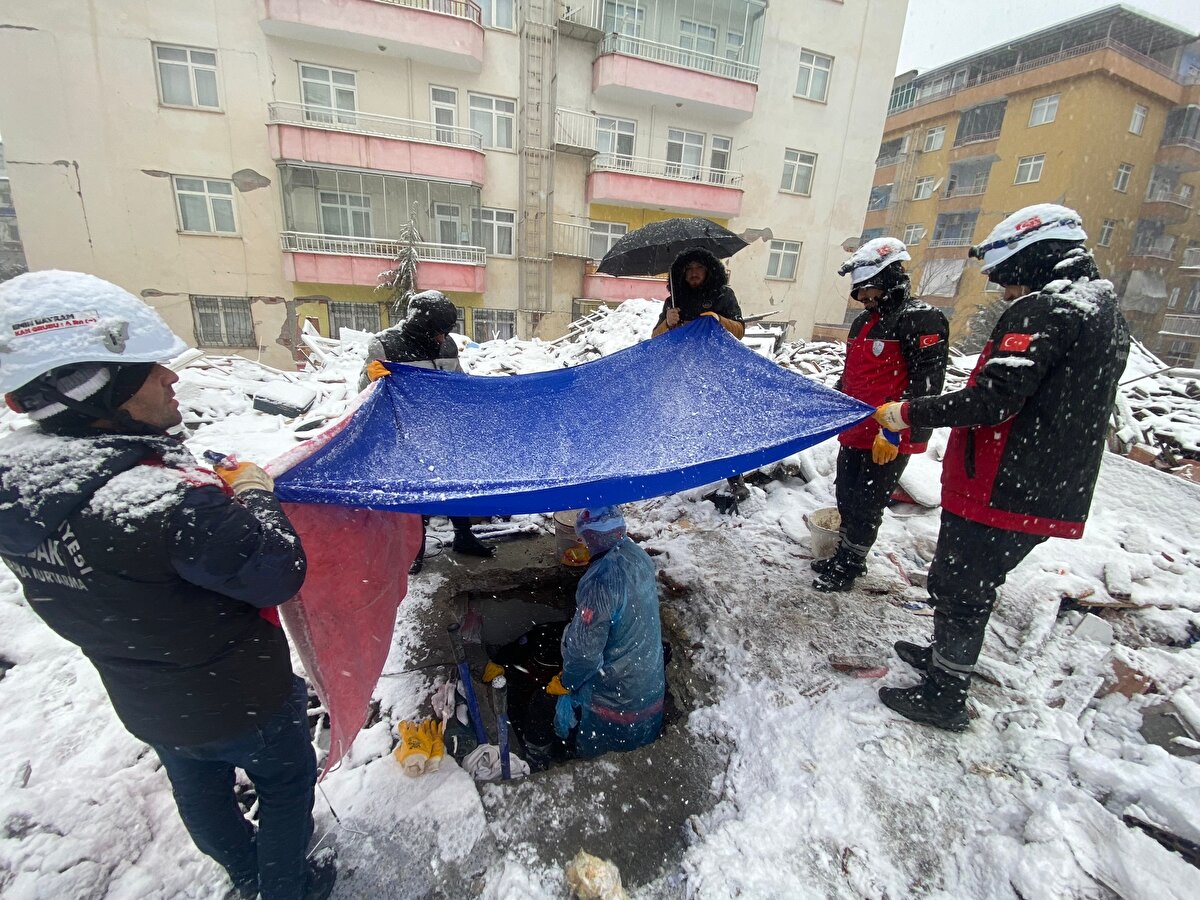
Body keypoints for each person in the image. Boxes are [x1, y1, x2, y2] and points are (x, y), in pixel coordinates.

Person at [0, 271, 333, 899]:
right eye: (151, 371)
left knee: (199, 790)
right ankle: (287, 887)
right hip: (240, 694)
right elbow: (277, 571)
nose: (171, 379)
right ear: (104, 395)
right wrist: (255, 497)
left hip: (148, 700)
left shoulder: (18, 489)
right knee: (287, 786)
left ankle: (246, 874)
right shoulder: (165, 504)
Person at [873, 204, 1130, 731]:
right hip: (1044, 480)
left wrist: (908, 413)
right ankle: (945, 659)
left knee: (961, 585)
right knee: (967, 580)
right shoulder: (1101, 310)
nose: (1004, 291)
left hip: (1002, 478)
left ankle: (945, 695)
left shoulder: (1047, 309)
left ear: (1031, 258)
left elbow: (993, 400)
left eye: (1006, 277)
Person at [814, 237, 948, 592]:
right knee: (846, 496)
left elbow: (926, 384)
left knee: (867, 503)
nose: (864, 297)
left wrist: (895, 429)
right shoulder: (863, 322)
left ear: (890, 279)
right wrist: (835, 400)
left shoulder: (922, 319)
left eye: (869, 289)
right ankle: (845, 554)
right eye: (859, 291)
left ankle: (850, 564)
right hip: (856, 427)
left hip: (890, 433)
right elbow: (853, 374)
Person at [360, 290, 494, 570]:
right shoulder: (385, 345)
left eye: (446, 332)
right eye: (438, 333)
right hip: (407, 431)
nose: (443, 339)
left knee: (454, 483)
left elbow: (458, 381)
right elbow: (364, 392)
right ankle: (415, 548)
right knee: (416, 489)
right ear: (421, 326)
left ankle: (463, 536)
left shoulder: (447, 346)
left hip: (445, 428)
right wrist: (369, 378)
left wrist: (483, 396)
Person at [548, 506, 665, 758]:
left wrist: (567, 683)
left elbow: (584, 654)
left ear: (587, 536)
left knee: (605, 759)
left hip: (615, 696)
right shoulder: (637, 556)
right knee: (640, 755)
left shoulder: (600, 582)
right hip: (648, 684)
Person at [651, 248, 750, 500]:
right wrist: (668, 323)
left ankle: (734, 478)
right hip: (682, 375)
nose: (694, 273)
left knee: (722, 426)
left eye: (699, 268)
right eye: (689, 269)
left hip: (716, 375)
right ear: (681, 273)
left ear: (709, 270)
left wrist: (717, 319)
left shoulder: (723, 295)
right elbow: (655, 339)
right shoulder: (673, 301)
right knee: (680, 425)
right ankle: (678, 477)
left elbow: (739, 330)